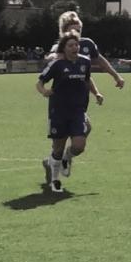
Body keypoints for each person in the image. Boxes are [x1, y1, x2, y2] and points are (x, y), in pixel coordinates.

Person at [37, 31, 97, 193]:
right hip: (59, 111)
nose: (75, 47)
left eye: (76, 45)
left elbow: (87, 80)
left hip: (78, 110)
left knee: (79, 145)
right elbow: (40, 82)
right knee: (57, 148)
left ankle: (66, 158)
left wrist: (96, 93)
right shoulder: (57, 64)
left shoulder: (85, 62)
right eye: (70, 45)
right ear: (64, 48)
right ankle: (55, 180)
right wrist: (44, 91)